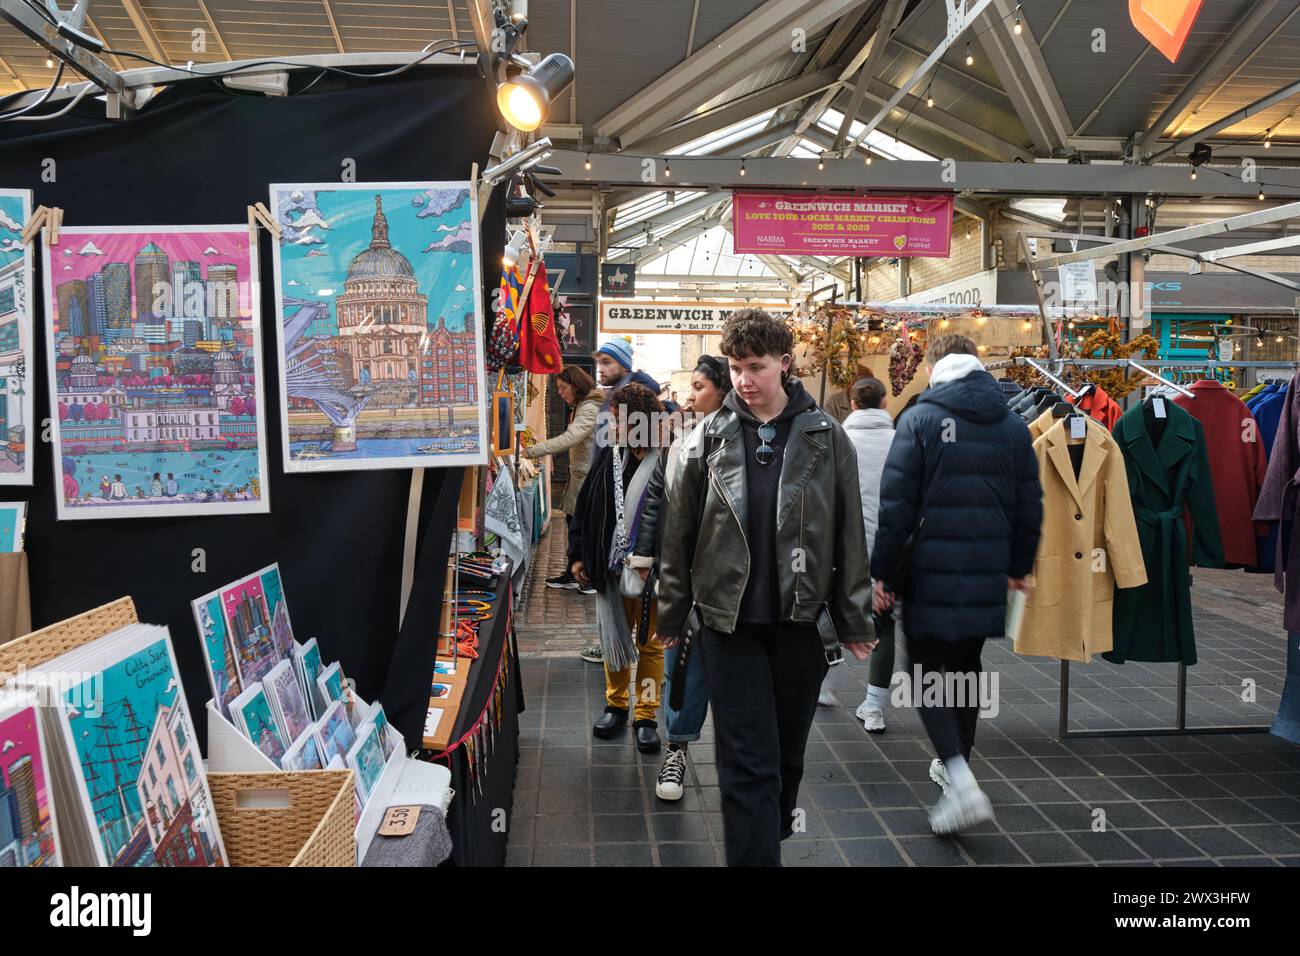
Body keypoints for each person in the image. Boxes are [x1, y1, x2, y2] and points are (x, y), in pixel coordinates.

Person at [657, 309, 875, 866]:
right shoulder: (703, 439)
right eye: (735, 368)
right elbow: (677, 535)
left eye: (756, 367)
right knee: (747, 757)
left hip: (800, 625)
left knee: (786, 754)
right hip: (726, 626)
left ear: (785, 363)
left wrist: (853, 617)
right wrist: (671, 615)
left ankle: (765, 832)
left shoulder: (827, 437)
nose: (744, 380)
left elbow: (849, 530)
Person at [870, 333, 1042, 835]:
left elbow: (896, 507)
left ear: (931, 368)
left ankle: (961, 780)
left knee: (924, 671)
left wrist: (882, 573)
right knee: (965, 669)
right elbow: (1029, 506)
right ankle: (956, 772)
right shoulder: (1013, 426)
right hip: (987, 572)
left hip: (929, 572)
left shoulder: (920, 419)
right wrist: (1018, 567)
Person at [629, 355, 731, 801]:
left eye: (700, 387)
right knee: (682, 669)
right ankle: (678, 750)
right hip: (685, 579)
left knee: (734, 674)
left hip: (732, 584)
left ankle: (740, 760)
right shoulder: (681, 439)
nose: (690, 396)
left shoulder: (750, 442)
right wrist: (645, 554)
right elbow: (657, 495)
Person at [569, 383, 666, 754]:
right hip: (611, 568)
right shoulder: (609, 456)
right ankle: (616, 705)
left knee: (651, 646)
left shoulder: (667, 458)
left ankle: (646, 715)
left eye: (623, 418)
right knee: (614, 639)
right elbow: (585, 508)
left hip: (653, 573)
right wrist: (578, 555)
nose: (616, 424)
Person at [841, 377, 897, 733]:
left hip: (844, 548)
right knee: (885, 623)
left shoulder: (839, 440)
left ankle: (822, 687)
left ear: (852, 403)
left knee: (825, 617)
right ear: (886, 402)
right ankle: (874, 705)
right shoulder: (903, 442)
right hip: (889, 549)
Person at [524, 365, 603, 597]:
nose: (560, 393)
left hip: (585, 478)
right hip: (581, 475)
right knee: (574, 525)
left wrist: (532, 451)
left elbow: (571, 438)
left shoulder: (589, 408)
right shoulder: (584, 406)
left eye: (562, 387)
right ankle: (573, 572)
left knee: (581, 528)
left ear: (575, 386)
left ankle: (585, 577)